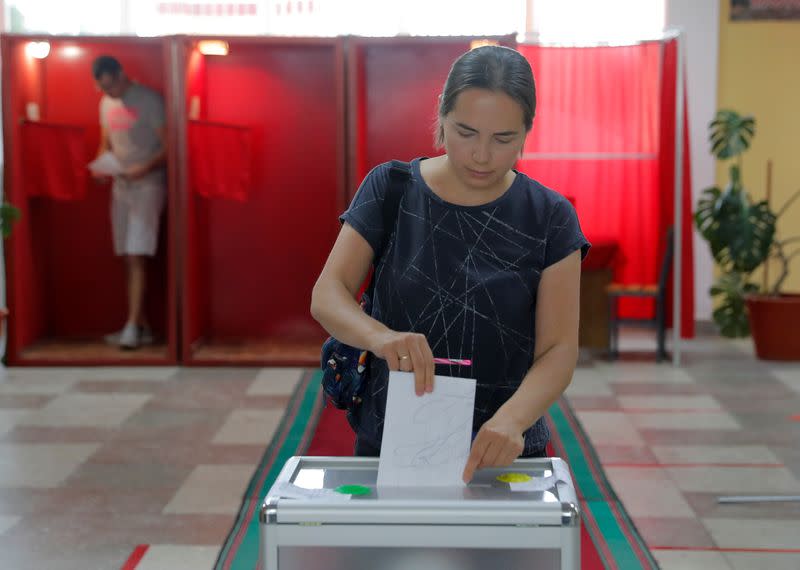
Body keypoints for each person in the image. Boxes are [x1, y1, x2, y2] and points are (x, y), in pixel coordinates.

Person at [311, 45, 590, 483]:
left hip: (503, 449)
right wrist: (381, 339)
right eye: (465, 132)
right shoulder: (392, 188)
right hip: (394, 439)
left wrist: (514, 419)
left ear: (527, 131)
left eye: (504, 139)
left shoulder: (549, 216)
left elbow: (558, 349)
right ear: (441, 115)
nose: (482, 155)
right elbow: (328, 295)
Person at [91, 56, 167, 350]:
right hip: (120, 185)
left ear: (121, 75)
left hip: (148, 185)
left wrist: (144, 167)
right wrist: (101, 166)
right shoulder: (106, 104)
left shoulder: (148, 100)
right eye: (102, 89)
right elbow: (105, 142)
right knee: (126, 254)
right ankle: (141, 325)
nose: (108, 93)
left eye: (110, 86)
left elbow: (168, 146)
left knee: (137, 253)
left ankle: (132, 326)